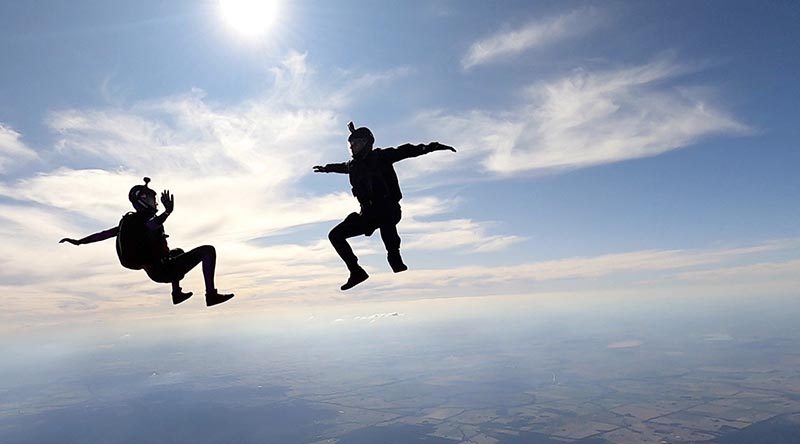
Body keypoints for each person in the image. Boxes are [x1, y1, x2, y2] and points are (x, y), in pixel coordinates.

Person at [313, 122, 456, 290]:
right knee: (335, 235)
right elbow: (342, 167)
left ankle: (394, 256)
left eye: (355, 144)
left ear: (366, 143)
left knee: (385, 218)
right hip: (367, 215)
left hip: (389, 210)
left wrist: (434, 147)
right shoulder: (354, 166)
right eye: (350, 145)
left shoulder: (381, 157)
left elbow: (408, 150)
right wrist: (327, 168)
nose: (351, 148)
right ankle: (356, 272)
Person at [59, 177, 235, 307]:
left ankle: (176, 294)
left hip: (157, 270)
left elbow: (104, 234)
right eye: (152, 198)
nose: (155, 202)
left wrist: (79, 242)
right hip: (164, 270)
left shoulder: (129, 222)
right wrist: (167, 212)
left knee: (177, 251)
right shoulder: (140, 222)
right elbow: (151, 226)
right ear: (142, 200)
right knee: (208, 251)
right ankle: (211, 295)